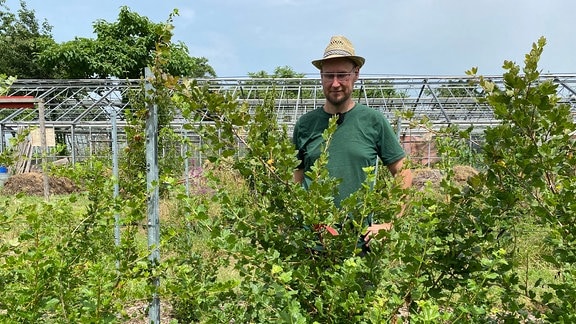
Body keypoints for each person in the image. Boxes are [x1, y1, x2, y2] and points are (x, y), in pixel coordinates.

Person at [292, 35, 412, 240]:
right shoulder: (305, 125)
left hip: (358, 241)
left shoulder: (373, 121)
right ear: (321, 76)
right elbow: (297, 179)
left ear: (356, 74)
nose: (335, 83)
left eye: (342, 75)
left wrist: (391, 223)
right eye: (329, 76)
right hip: (311, 243)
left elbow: (403, 171)